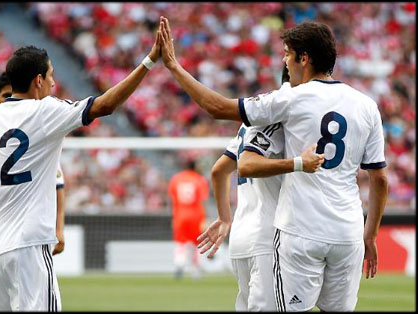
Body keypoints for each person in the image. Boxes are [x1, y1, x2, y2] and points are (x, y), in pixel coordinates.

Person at [159, 17, 387, 311]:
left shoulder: (290, 98)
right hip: (348, 232)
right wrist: (370, 235)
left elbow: (218, 108)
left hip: (300, 230)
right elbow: (379, 179)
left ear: (303, 58)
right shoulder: (366, 105)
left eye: (287, 54)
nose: (284, 61)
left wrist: (174, 67)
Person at [0, 27, 162, 311]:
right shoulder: (45, 111)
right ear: (38, 80)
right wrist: (149, 61)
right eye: (51, 76)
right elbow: (105, 105)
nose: (54, 83)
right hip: (26, 248)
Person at [198, 66, 323, 311]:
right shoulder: (282, 118)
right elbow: (242, 166)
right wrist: (299, 164)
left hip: (241, 238)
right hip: (269, 238)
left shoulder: (250, 123)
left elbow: (219, 170)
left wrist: (225, 218)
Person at [0, 72, 68, 311]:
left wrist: (59, 228)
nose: (10, 98)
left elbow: (57, 184)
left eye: (12, 94)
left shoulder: (32, 136)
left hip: (3, 241)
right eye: (5, 95)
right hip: (1, 241)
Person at [168, 159, 209, 279]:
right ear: (195, 167)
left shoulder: (176, 179)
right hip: (196, 215)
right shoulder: (200, 180)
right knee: (197, 243)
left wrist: (174, 217)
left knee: (180, 242)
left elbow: (173, 200)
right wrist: (204, 218)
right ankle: (196, 269)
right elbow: (203, 201)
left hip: (180, 215)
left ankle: (179, 264)